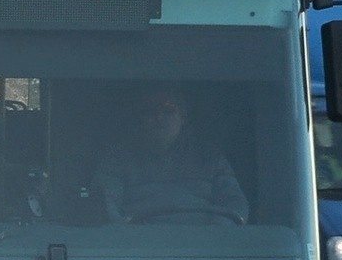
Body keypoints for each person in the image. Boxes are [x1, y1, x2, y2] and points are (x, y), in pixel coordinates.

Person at [92, 90, 249, 225]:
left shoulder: (211, 158)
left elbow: (235, 204)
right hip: (139, 251)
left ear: (183, 118)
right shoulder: (117, 161)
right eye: (150, 111)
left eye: (168, 111)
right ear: (140, 120)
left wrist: (217, 233)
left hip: (205, 249)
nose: (159, 117)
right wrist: (127, 235)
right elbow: (104, 204)